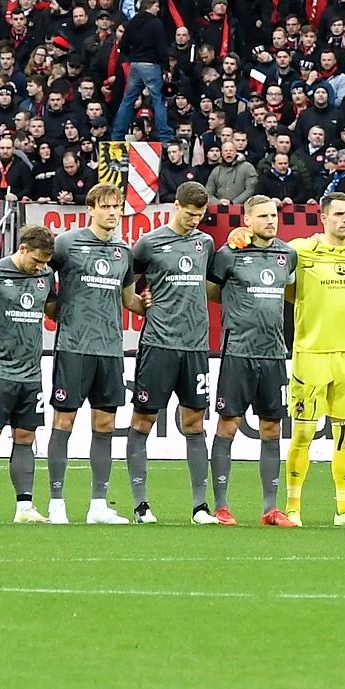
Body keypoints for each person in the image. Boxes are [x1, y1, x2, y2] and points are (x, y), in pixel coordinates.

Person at [283, 192, 345, 527]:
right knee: (303, 434)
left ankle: (344, 510)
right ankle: (293, 508)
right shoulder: (300, 250)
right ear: (323, 218)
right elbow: (268, 261)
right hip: (311, 355)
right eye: (339, 214)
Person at [127, 181, 218, 524]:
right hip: (158, 344)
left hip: (195, 346)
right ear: (176, 206)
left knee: (194, 423)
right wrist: (140, 304)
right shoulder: (149, 243)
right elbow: (128, 283)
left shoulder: (205, 243)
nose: (195, 220)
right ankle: (140, 505)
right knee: (143, 421)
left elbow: (211, 284)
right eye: (190, 213)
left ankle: (199, 507)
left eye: (200, 215)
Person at [205, 194, 299, 526]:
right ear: (247, 221)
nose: (270, 221)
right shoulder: (229, 254)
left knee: (272, 428)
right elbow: (210, 290)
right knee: (227, 425)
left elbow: (289, 290)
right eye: (262, 216)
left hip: (274, 353)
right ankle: (221, 506)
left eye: (273, 215)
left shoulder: (287, 255)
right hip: (238, 352)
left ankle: (271, 509)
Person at [45, 183, 135, 525]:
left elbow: (129, 301)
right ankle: (56, 503)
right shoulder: (67, 244)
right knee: (64, 422)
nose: (113, 212)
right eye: (106, 206)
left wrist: (152, 304)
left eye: (117, 207)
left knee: (105, 424)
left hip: (110, 350)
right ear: (91, 209)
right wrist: (54, 309)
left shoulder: (123, 251)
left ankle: (98, 504)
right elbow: (39, 276)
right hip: (73, 347)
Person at [0, 225, 59, 524]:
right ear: (22, 249)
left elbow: (53, 310)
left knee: (25, 436)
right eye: (36, 260)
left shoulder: (46, 276)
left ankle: (24, 507)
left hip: (31, 372)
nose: (41, 267)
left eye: (46, 263)